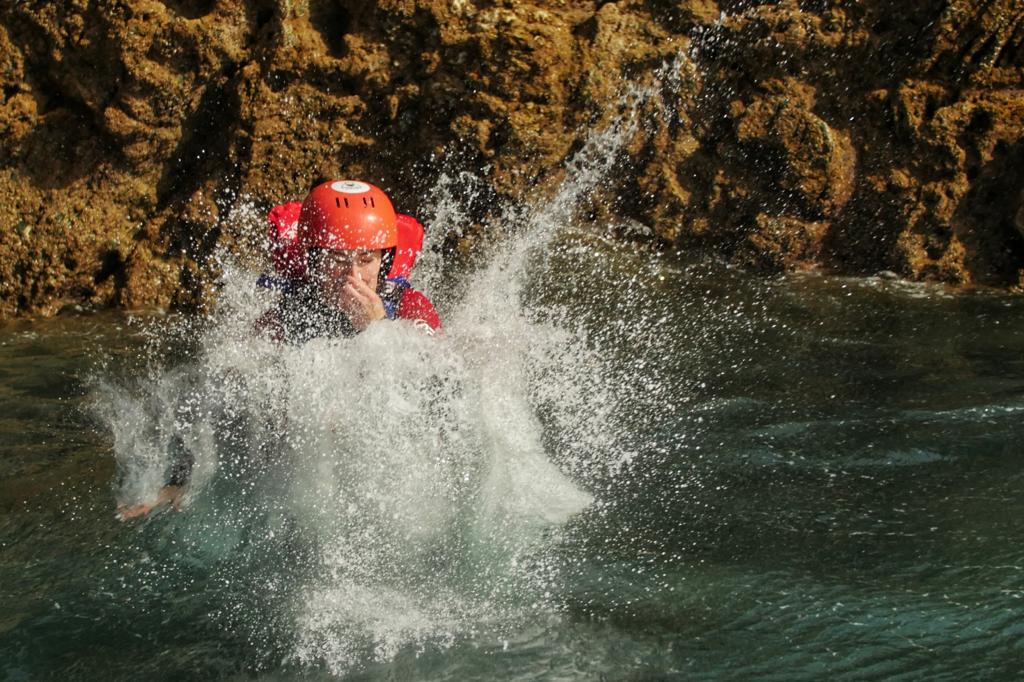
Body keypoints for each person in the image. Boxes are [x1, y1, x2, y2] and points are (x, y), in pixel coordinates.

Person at [117, 180, 440, 520]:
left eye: (366, 259)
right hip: (309, 487)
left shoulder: (411, 309)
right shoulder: (282, 320)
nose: (353, 277)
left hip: (387, 476)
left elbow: (436, 392)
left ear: (385, 261)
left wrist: (377, 331)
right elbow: (219, 402)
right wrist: (178, 481)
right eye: (337, 260)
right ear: (313, 261)